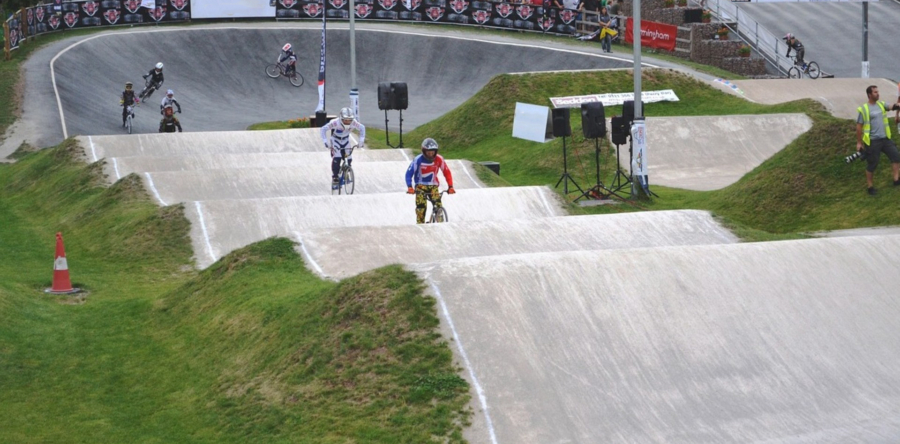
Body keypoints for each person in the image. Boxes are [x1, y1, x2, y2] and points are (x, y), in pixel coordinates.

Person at [856, 85, 900, 195]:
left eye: (878, 91)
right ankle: (870, 187)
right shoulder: (864, 109)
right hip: (873, 141)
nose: (878, 93)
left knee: (896, 157)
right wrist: (859, 142)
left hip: (885, 139)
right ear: (869, 95)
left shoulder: (881, 104)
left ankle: (896, 180)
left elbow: (891, 106)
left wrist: (897, 105)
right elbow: (859, 127)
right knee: (872, 164)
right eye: (875, 92)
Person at [405, 138, 455, 224]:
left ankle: (441, 224)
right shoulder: (418, 160)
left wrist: (450, 186)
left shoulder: (439, 159)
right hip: (420, 186)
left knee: (438, 206)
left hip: (433, 186)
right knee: (421, 207)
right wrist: (410, 187)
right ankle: (421, 225)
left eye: (433, 152)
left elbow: (447, 172)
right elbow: (408, 174)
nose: (431, 154)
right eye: (428, 152)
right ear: (424, 151)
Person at [321, 107, 366, 189]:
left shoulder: (354, 123)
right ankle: (335, 178)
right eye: (345, 120)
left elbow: (362, 128)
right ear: (341, 118)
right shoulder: (335, 123)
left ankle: (346, 173)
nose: (348, 121)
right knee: (337, 158)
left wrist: (361, 142)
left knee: (349, 159)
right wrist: (325, 142)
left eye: (350, 120)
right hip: (335, 140)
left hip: (345, 140)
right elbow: (323, 129)